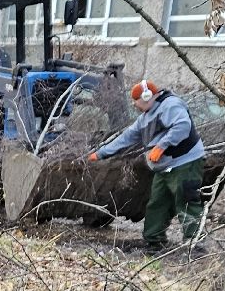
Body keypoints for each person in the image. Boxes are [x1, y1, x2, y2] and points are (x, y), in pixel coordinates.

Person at [88, 79, 206, 254]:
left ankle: (195, 246)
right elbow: (126, 137)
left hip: (185, 162)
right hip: (164, 167)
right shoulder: (145, 118)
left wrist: (161, 146)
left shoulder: (170, 105)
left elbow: (182, 126)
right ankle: (154, 242)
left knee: (187, 201)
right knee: (157, 203)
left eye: (136, 101)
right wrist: (101, 153)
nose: (134, 105)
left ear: (146, 97)